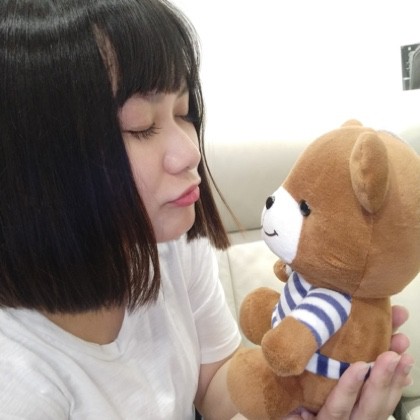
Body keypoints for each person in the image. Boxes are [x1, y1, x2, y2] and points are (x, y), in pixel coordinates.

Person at [0, 0, 413, 419]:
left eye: (183, 113)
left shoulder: (170, 243)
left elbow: (215, 385)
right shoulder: (16, 383)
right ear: (38, 161)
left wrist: (309, 386)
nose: (190, 151)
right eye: (140, 126)